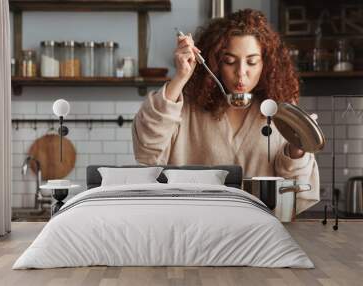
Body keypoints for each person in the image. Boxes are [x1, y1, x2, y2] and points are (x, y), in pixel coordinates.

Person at [132, 9, 319, 214]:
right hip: (195, 227)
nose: (241, 73)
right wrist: (181, 77)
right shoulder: (187, 109)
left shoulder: (280, 114)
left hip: (259, 231)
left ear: (266, 64)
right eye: (229, 61)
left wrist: (297, 149)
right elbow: (147, 151)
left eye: (252, 61)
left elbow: (297, 194)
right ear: (215, 62)